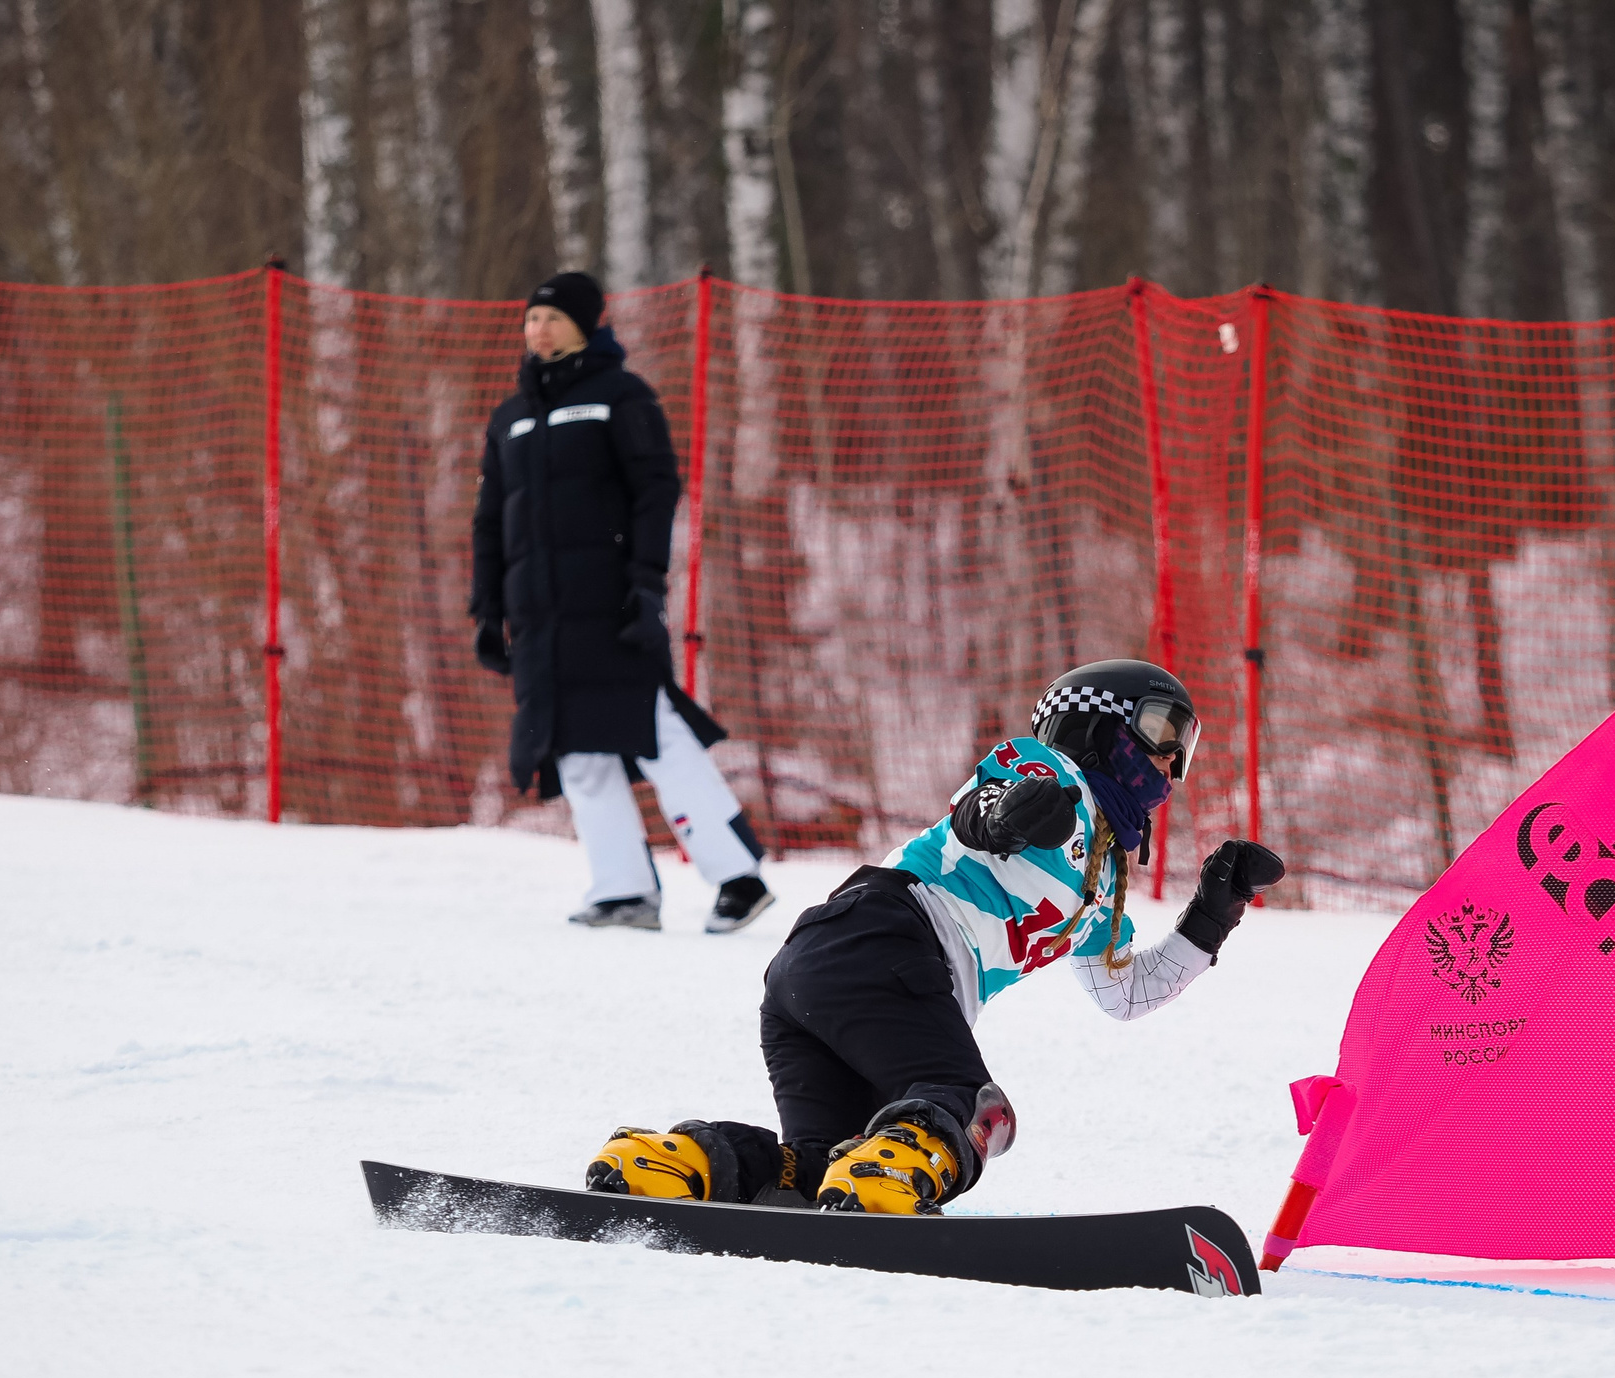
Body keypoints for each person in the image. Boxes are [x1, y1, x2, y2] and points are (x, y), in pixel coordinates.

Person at [583, 659, 1286, 1213]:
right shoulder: (1056, 775)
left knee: (822, 1166)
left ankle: (675, 1164)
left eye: (1184, 746)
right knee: (978, 1111)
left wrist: (1213, 913)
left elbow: (1126, 994)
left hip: (819, 970)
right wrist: (1007, 815)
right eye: (1161, 731)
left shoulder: (1101, 884)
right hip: (885, 939)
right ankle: (886, 1181)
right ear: (1096, 726)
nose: (1172, 761)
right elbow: (981, 807)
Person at [471, 270, 774, 935]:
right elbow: (490, 519)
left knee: (655, 732)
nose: (538, 329)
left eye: (552, 317)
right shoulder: (509, 418)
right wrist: (486, 608)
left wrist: (645, 583)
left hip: (609, 603)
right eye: (531, 318)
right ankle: (624, 891)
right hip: (539, 618)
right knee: (575, 753)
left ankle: (739, 878)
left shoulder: (621, 396)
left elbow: (655, 492)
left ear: (585, 325)